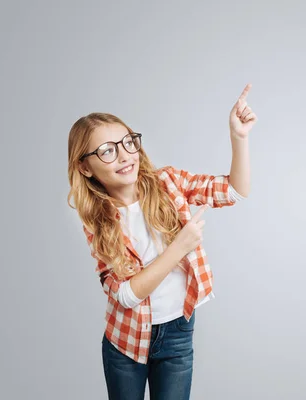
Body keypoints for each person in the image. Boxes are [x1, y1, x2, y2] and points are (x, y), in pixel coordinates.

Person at [66, 84, 257, 400]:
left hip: (177, 333)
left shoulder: (169, 183)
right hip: (124, 341)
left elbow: (235, 191)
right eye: (107, 150)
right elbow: (126, 295)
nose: (125, 155)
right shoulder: (98, 219)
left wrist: (239, 138)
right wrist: (180, 246)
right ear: (85, 167)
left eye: (128, 142)